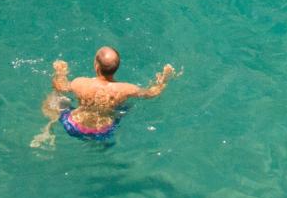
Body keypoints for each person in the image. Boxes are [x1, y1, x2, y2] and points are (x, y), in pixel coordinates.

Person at [30, 46, 178, 147]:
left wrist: (60, 71)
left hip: (74, 126)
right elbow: (152, 93)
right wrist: (164, 79)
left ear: (96, 66)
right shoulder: (126, 89)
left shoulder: (80, 83)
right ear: (117, 67)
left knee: (56, 98)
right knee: (125, 108)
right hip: (104, 131)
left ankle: (47, 129)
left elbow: (60, 86)